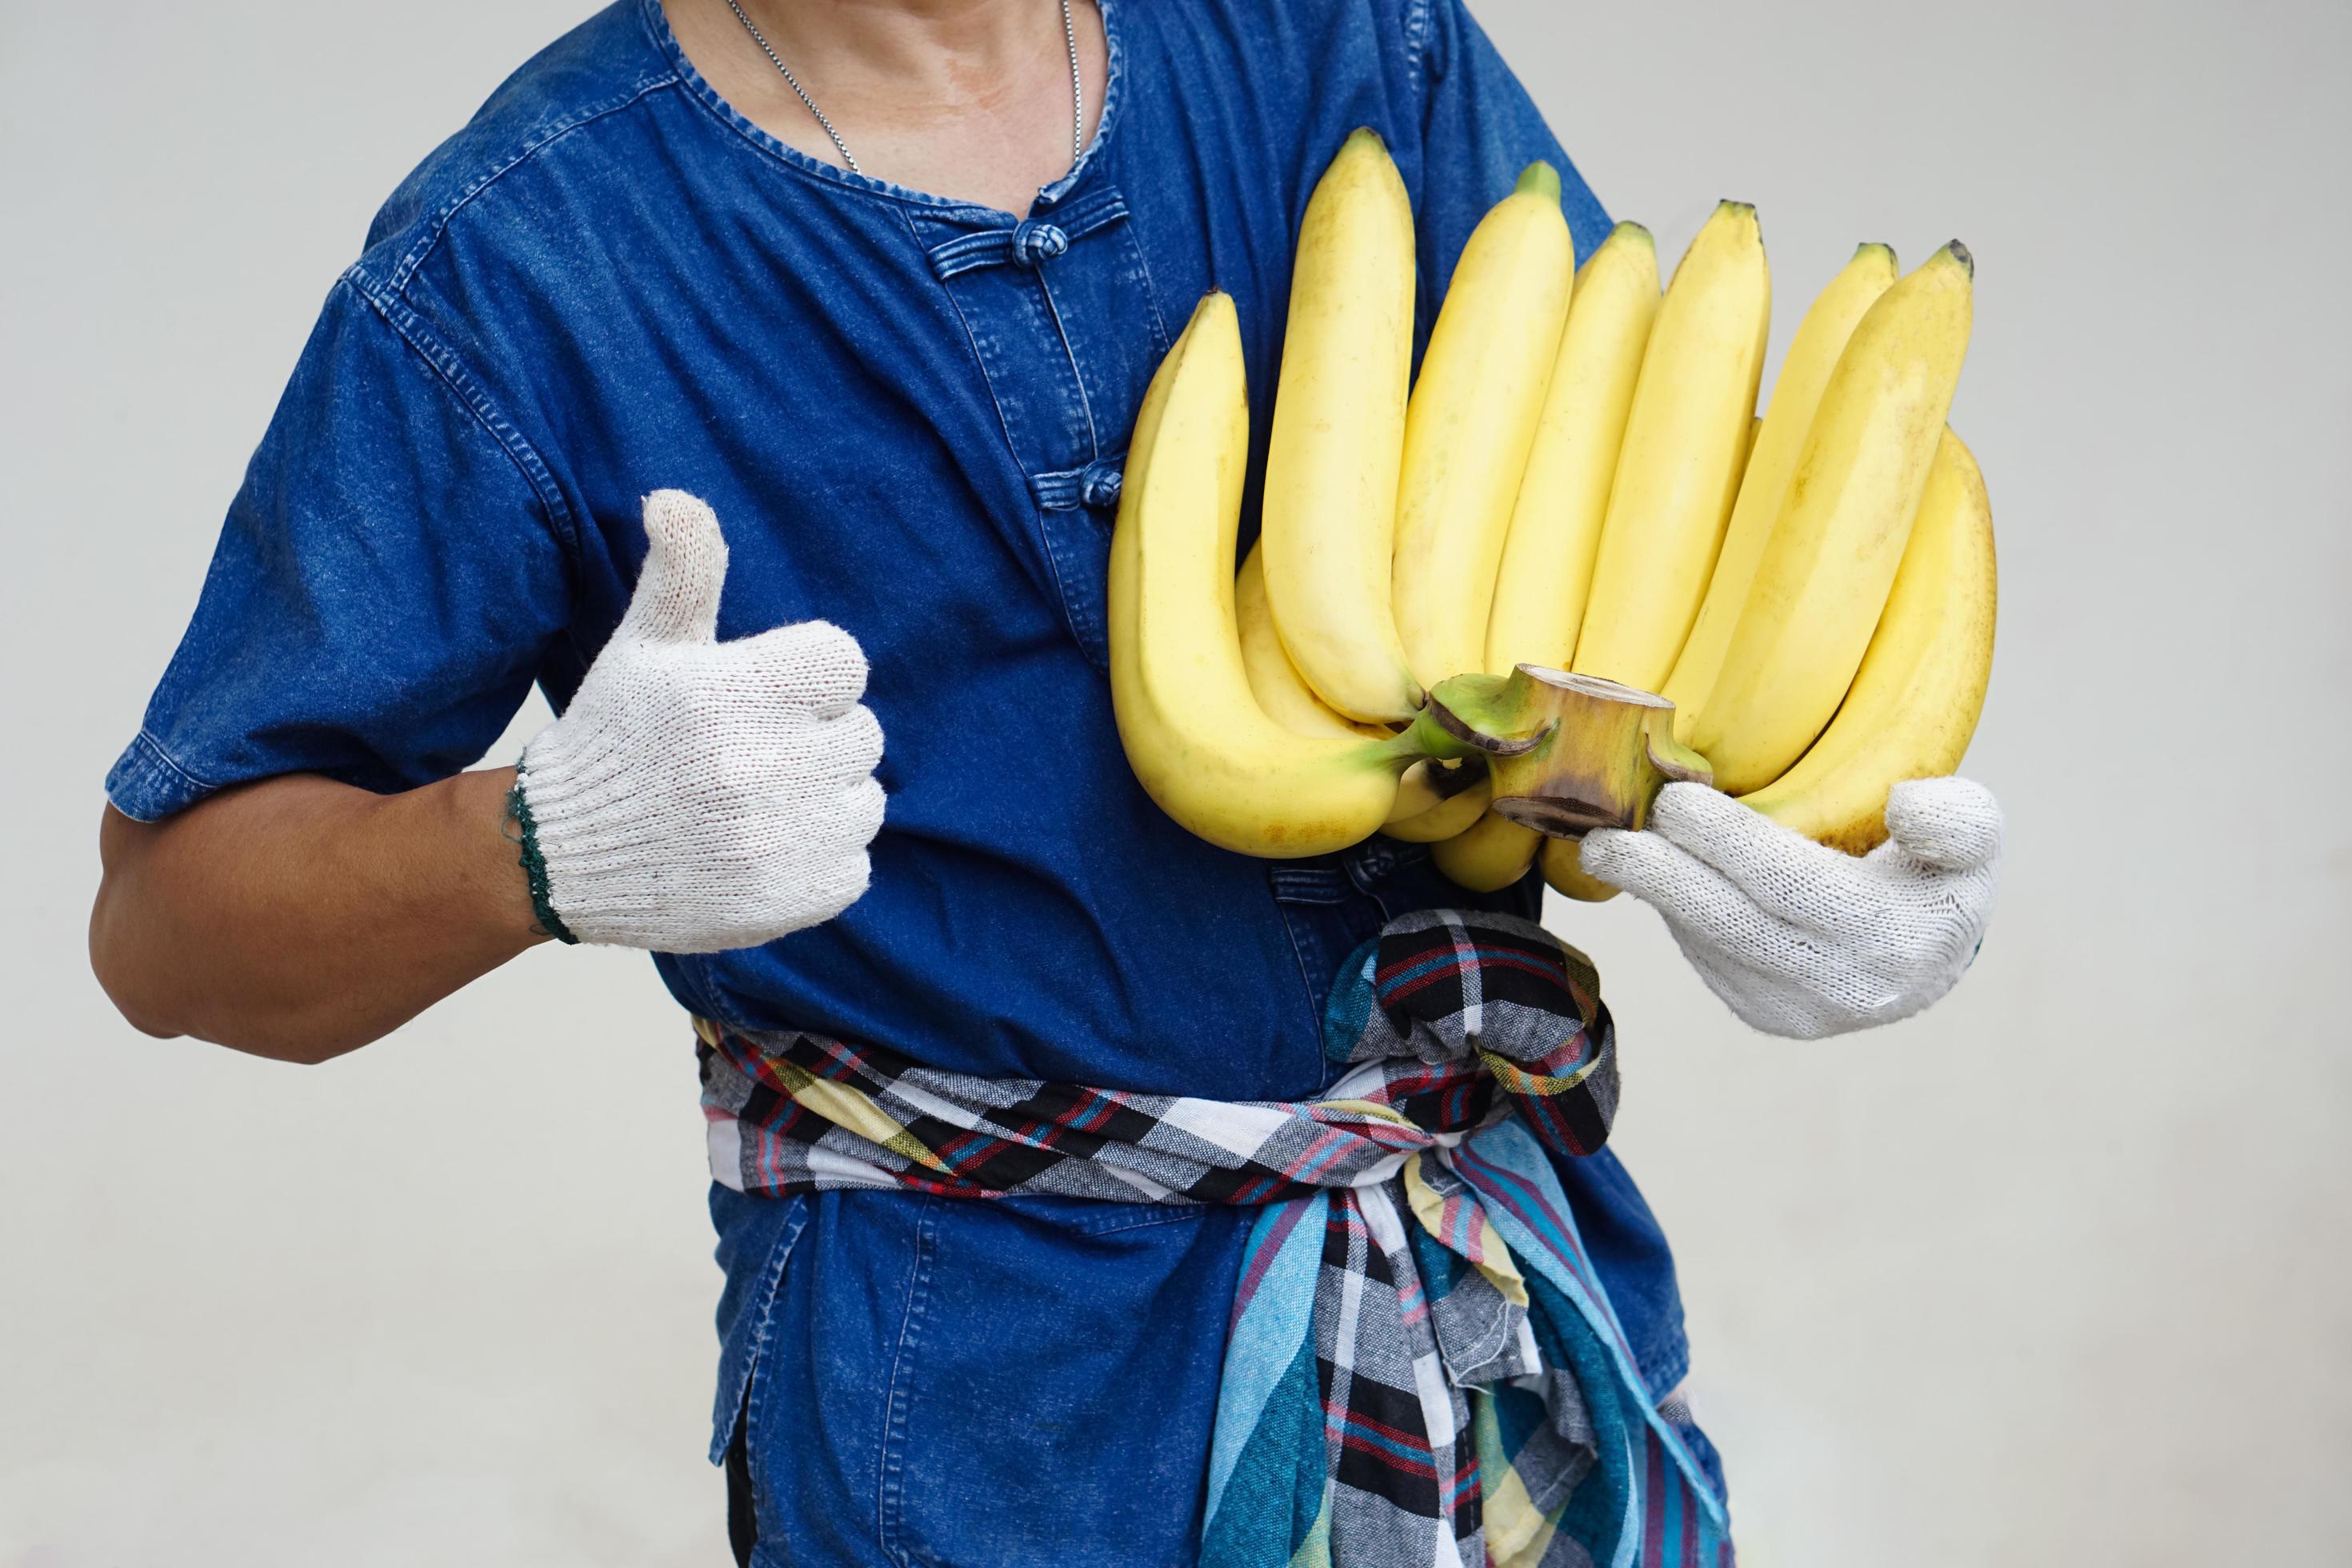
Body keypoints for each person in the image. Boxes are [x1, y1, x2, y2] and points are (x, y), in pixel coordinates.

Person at [88, 0, 2002, 1561]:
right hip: (978, 1437)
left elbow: (1654, 568)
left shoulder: (1351, 49)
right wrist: (540, 843)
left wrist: (1795, 865)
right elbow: (167, 926)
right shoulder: (522, 260)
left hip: (1496, 1324)